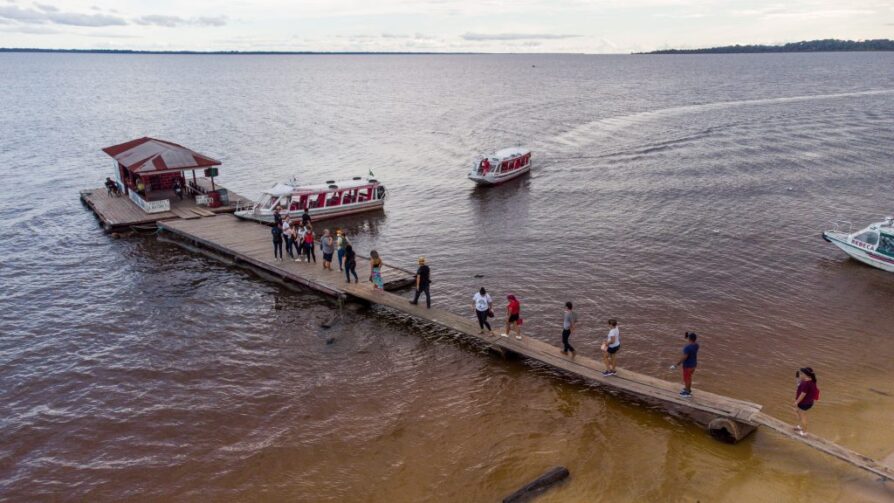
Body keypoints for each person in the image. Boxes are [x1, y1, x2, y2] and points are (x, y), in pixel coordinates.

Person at [671, 332, 699, 397]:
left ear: (690, 338)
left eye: (688, 337)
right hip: (694, 365)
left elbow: (684, 357)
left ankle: (687, 392)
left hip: (688, 366)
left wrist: (676, 365)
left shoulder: (687, 347)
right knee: (689, 378)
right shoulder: (696, 345)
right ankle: (687, 389)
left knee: (687, 379)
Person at [793, 367, 819, 436]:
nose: (801, 374)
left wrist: (796, 402)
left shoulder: (806, 383)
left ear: (806, 374)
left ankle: (804, 432)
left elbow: (803, 394)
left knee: (803, 416)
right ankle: (800, 427)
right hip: (808, 402)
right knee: (797, 412)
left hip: (804, 403)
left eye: (802, 373)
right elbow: (799, 384)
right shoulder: (811, 381)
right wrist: (797, 378)